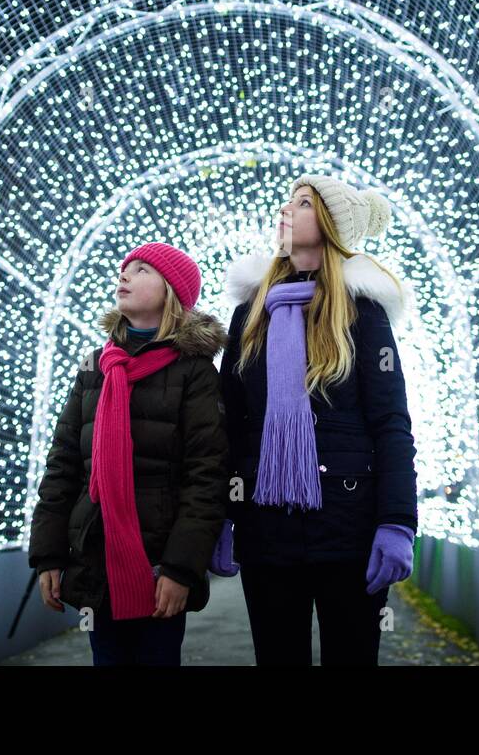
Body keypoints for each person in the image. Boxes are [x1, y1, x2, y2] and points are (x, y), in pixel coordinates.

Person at [216, 174, 418, 665]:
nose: (286, 209)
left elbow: (392, 424)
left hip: (350, 530)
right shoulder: (250, 314)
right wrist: (221, 515)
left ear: (329, 225)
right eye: (287, 200)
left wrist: (397, 523)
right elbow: (231, 425)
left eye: (302, 203)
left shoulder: (363, 314)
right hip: (266, 530)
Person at [27, 242, 229, 665]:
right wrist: (48, 554)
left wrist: (180, 568)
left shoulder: (195, 372)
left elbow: (206, 476)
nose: (125, 276)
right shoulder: (96, 366)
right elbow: (63, 464)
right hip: (95, 558)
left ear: (172, 291)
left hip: (158, 566)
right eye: (125, 269)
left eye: (141, 270)